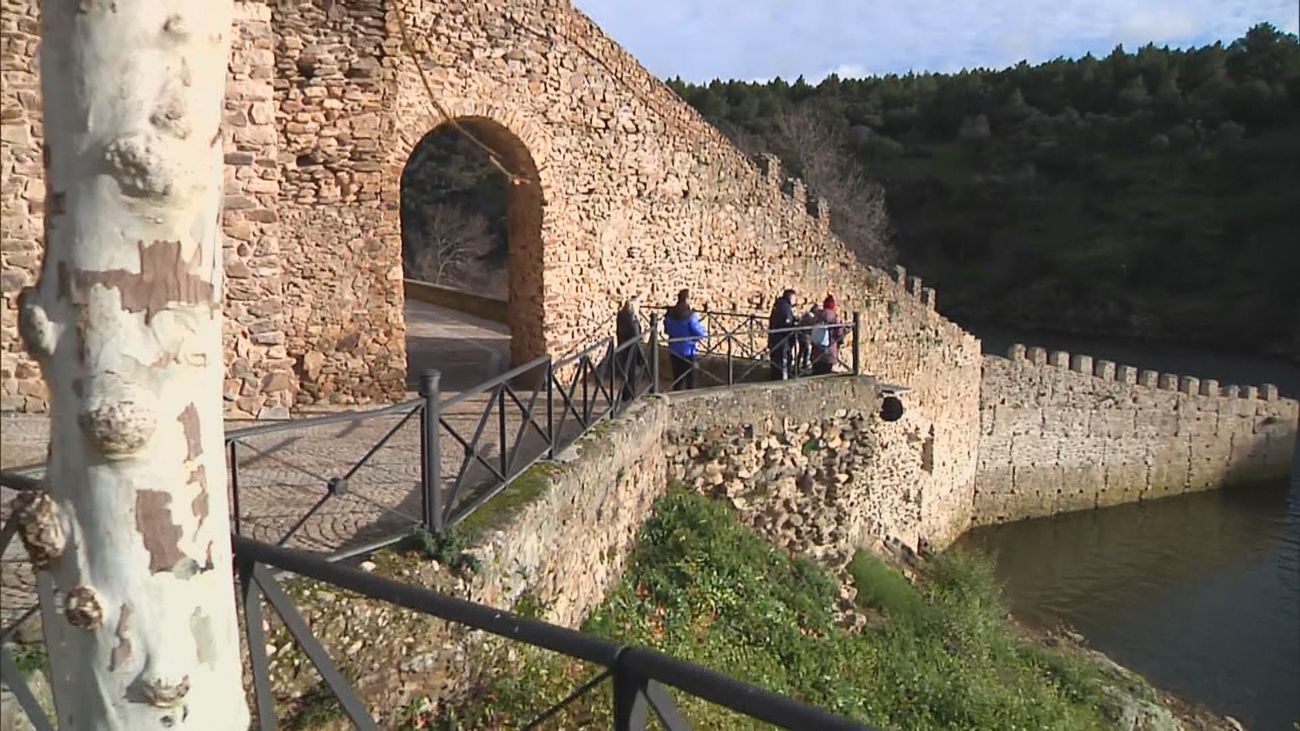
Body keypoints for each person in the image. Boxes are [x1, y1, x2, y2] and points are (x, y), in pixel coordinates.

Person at [663, 289, 706, 391]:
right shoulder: (690, 316)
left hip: (674, 349)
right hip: (688, 350)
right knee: (690, 379)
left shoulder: (670, 314)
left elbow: (667, 330)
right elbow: (699, 333)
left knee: (677, 378)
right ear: (687, 299)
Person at [615, 296, 643, 402]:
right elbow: (636, 334)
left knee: (627, 373)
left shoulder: (621, 315)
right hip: (631, 349)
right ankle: (629, 396)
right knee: (631, 374)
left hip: (623, 346)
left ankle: (626, 396)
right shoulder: (631, 318)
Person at [810, 295, 845, 375]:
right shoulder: (834, 318)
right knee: (826, 374)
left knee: (815, 373)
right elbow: (839, 334)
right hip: (828, 352)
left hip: (816, 351)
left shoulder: (817, 315)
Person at [767, 288, 796, 380]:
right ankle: (782, 379)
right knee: (782, 361)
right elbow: (786, 325)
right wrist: (794, 328)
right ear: (790, 297)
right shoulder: (785, 308)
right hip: (782, 340)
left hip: (774, 338)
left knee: (775, 361)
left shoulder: (778, 305)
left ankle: (775, 378)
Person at [795, 303, 822, 376]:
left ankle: (798, 366)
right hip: (805, 336)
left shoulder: (806, 315)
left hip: (801, 335)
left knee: (801, 351)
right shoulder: (811, 318)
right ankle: (804, 365)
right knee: (806, 350)